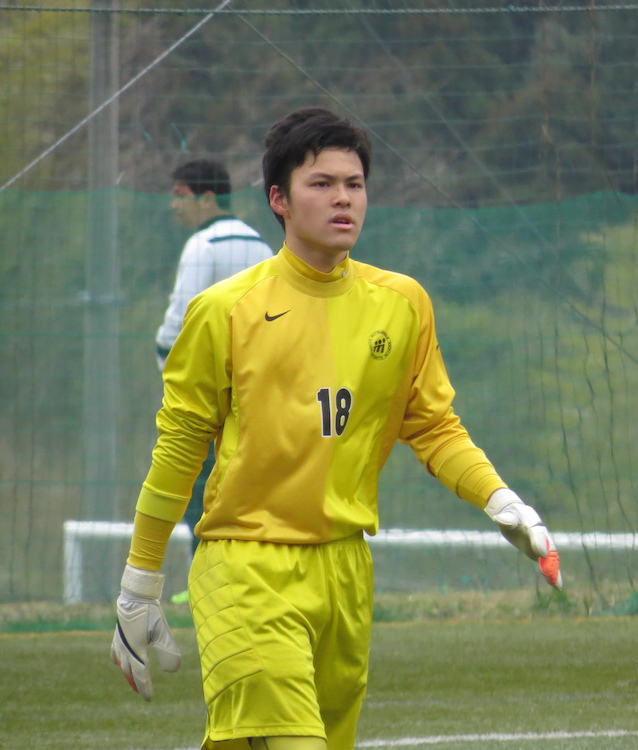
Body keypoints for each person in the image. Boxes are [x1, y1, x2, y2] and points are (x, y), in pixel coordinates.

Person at [111, 107, 563, 750]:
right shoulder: (224, 310)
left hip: (347, 569)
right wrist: (140, 582)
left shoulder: (403, 304)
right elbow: (178, 450)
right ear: (279, 199)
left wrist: (499, 498)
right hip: (245, 566)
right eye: (321, 183)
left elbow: (433, 426)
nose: (343, 197)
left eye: (354, 183)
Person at [154, 159, 273, 602]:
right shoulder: (261, 245)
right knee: (249, 486)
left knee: (200, 485)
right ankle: (248, 577)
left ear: (207, 198)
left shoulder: (201, 245)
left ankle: (203, 581)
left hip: (206, 393)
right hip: (255, 393)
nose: (173, 206)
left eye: (180, 196)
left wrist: (169, 372)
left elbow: (179, 321)